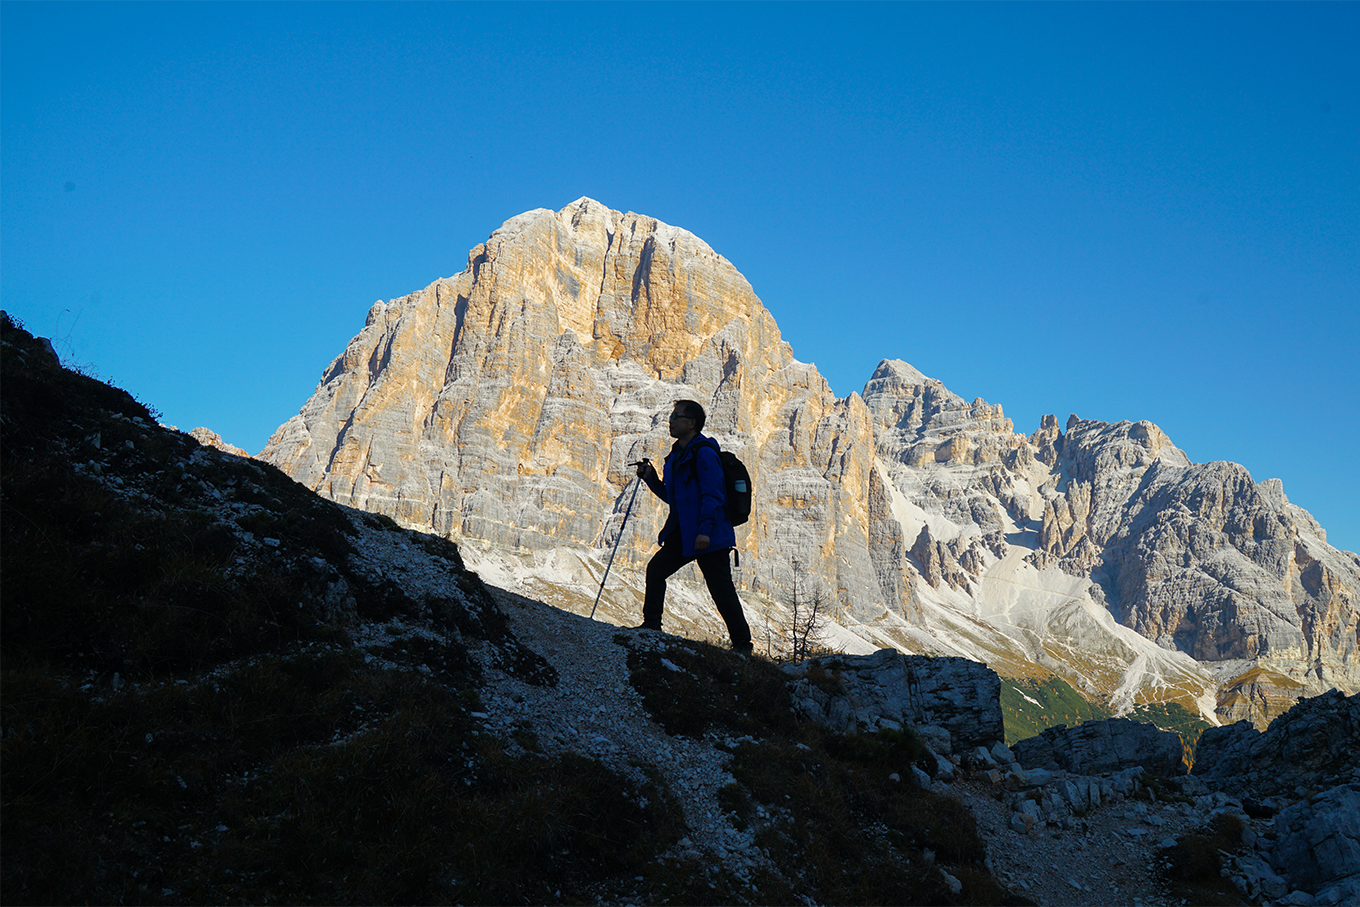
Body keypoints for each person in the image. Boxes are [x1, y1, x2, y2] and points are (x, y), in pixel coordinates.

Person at [635, 400, 753, 653]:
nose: (671, 420)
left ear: (691, 423)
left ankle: (743, 645)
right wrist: (652, 479)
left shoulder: (704, 453)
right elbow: (674, 497)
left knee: (721, 590)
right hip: (684, 532)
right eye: (671, 416)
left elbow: (714, 495)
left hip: (708, 535)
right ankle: (651, 624)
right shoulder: (675, 456)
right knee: (656, 570)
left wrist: (705, 531)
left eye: (676, 416)